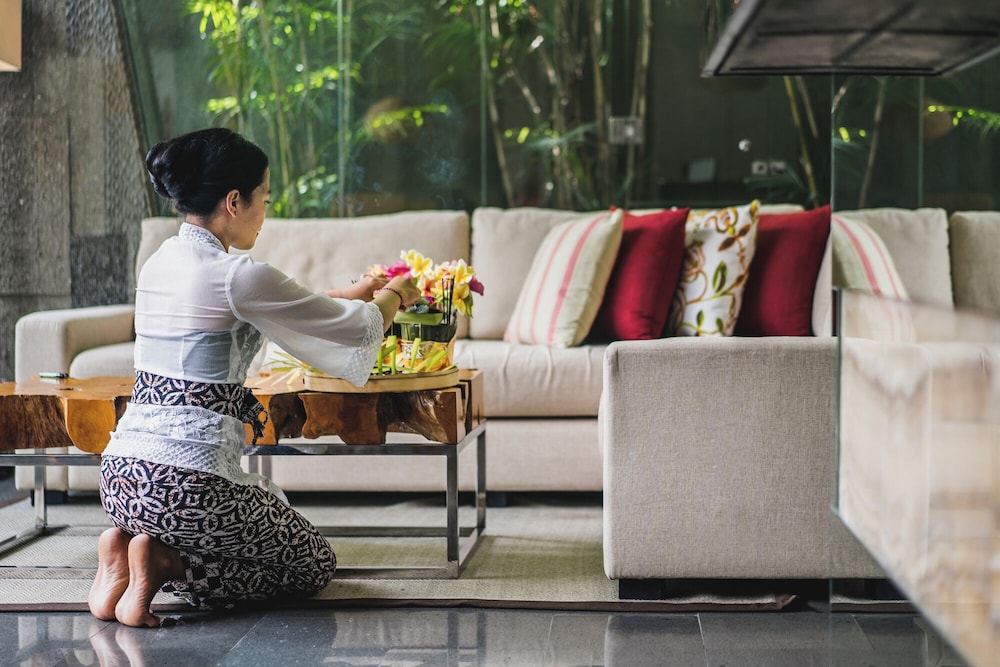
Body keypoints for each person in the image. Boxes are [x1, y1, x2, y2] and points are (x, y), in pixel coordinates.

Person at [87, 127, 422, 628]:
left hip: (121, 478)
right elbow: (359, 329)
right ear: (234, 201)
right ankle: (165, 564)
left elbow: (282, 304)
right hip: (186, 484)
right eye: (264, 197)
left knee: (242, 532)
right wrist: (397, 294)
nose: (266, 211)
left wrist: (353, 291)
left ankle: (124, 547)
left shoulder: (160, 263)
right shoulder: (237, 275)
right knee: (313, 565)